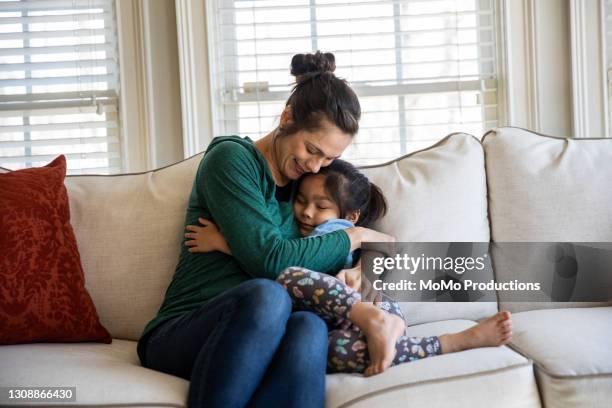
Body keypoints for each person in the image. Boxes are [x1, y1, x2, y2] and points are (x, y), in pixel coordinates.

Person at [136, 51, 394, 408]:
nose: (314, 166)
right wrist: (353, 235)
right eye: (311, 149)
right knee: (268, 295)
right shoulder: (232, 159)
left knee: (309, 327)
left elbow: (317, 263)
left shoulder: (307, 192)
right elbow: (271, 261)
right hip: (185, 329)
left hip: (271, 332)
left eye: (328, 159)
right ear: (286, 117)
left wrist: (360, 262)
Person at [186, 159, 514, 377]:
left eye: (321, 206)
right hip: (343, 323)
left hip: (360, 307)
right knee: (340, 354)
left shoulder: (333, 232)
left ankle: (384, 323)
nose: (306, 213)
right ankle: (451, 342)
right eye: (301, 201)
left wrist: (226, 244)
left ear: (349, 217)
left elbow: (281, 263)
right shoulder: (325, 229)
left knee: (288, 276)